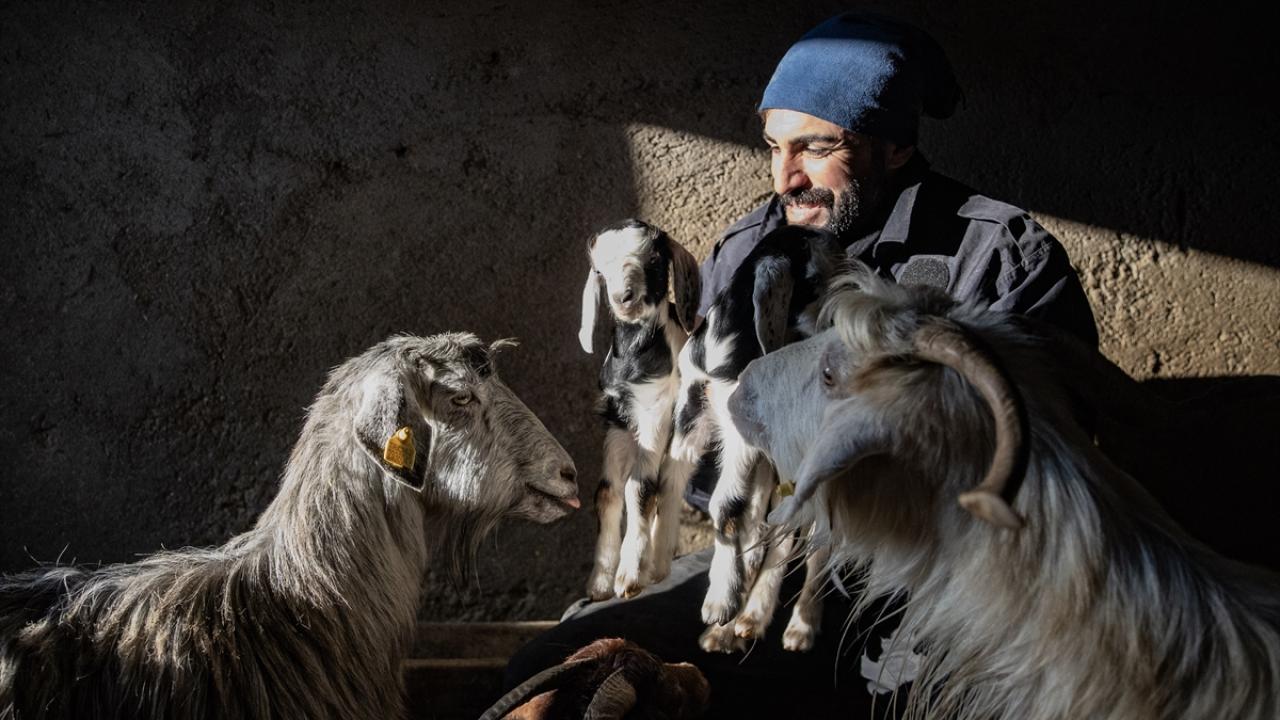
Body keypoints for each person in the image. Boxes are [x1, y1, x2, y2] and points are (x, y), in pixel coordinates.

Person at [504, 11, 1097, 718]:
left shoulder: (999, 256)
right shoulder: (748, 251)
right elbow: (698, 465)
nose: (786, 176)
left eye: (817, 149)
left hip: (938, 574)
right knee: (560, 667)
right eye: (773, 147)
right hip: (773, 562)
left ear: (896, 145)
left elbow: (1055, 459)